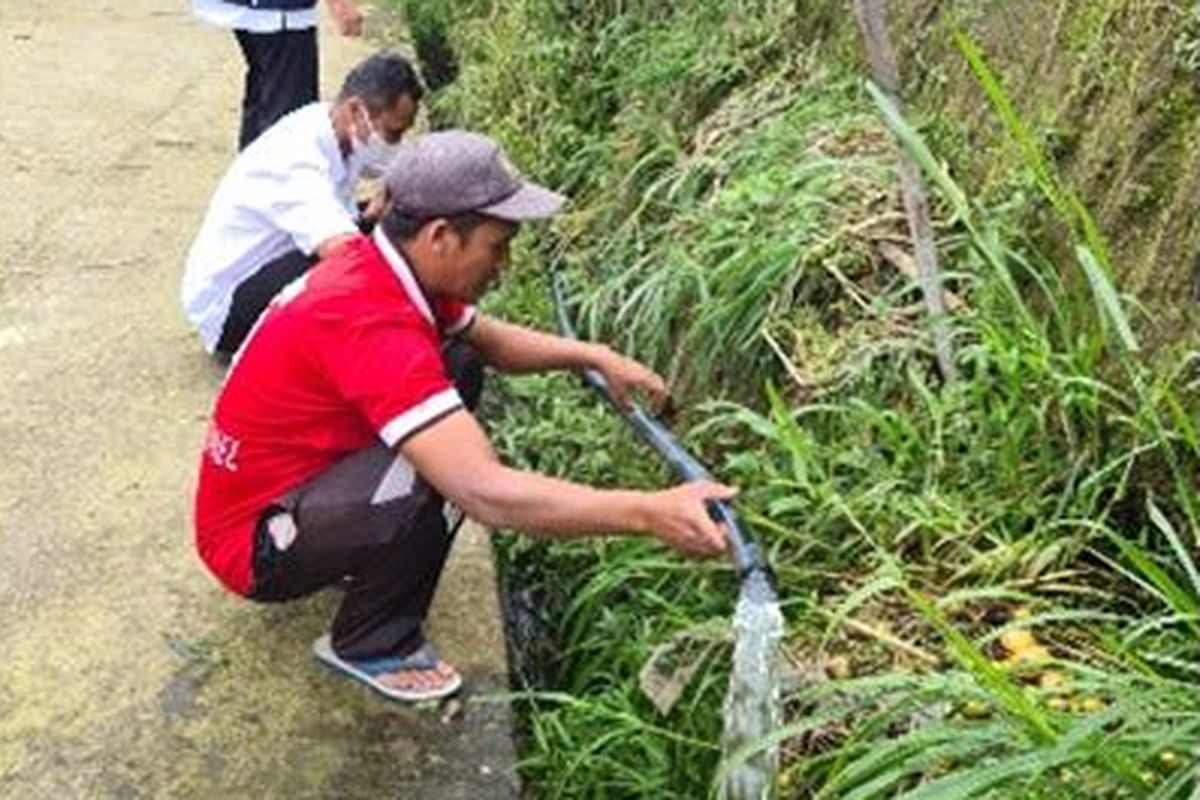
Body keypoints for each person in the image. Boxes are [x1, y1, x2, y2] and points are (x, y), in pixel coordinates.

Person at [192, 130, 735, 702]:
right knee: (442, 474)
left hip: (293, 487)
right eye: (498, 246)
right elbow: (485, 493)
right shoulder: (369, 318)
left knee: (461, 359)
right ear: (441, 236)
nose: (505, 264)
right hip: (255, 546)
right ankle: (371, 641)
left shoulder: (384, 265)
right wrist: (649, 513)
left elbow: (490, 339)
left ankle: (358, 545)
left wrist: (592, 355)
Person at [182, 51, 423, 358]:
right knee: (358, 264)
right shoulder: (297, 160)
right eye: (391, 133)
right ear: (354, 110)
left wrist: (372, 215)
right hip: (229, 308)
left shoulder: (331, 127)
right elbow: (344, 252)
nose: (393, 144)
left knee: (382, 229)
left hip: (271, 262)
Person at [191, 0, 365, 151]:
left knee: (263, 94)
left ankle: (251, 177)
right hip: (279, 12)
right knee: (290, 116)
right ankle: (276, 181)